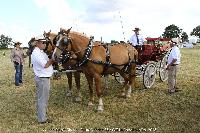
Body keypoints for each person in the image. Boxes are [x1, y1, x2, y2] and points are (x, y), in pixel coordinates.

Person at [31, 35, 55, 124]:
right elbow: (45, 65)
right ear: (38, 43)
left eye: (46, 42)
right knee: (42, 99)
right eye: (44, 42)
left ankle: (42, 115)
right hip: (42, 79)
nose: (45, 44)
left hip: (43, 78)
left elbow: (47, 59)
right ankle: (42, 119)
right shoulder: (37, 53)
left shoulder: (40, 52)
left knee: (42, 98)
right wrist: (54, 58)